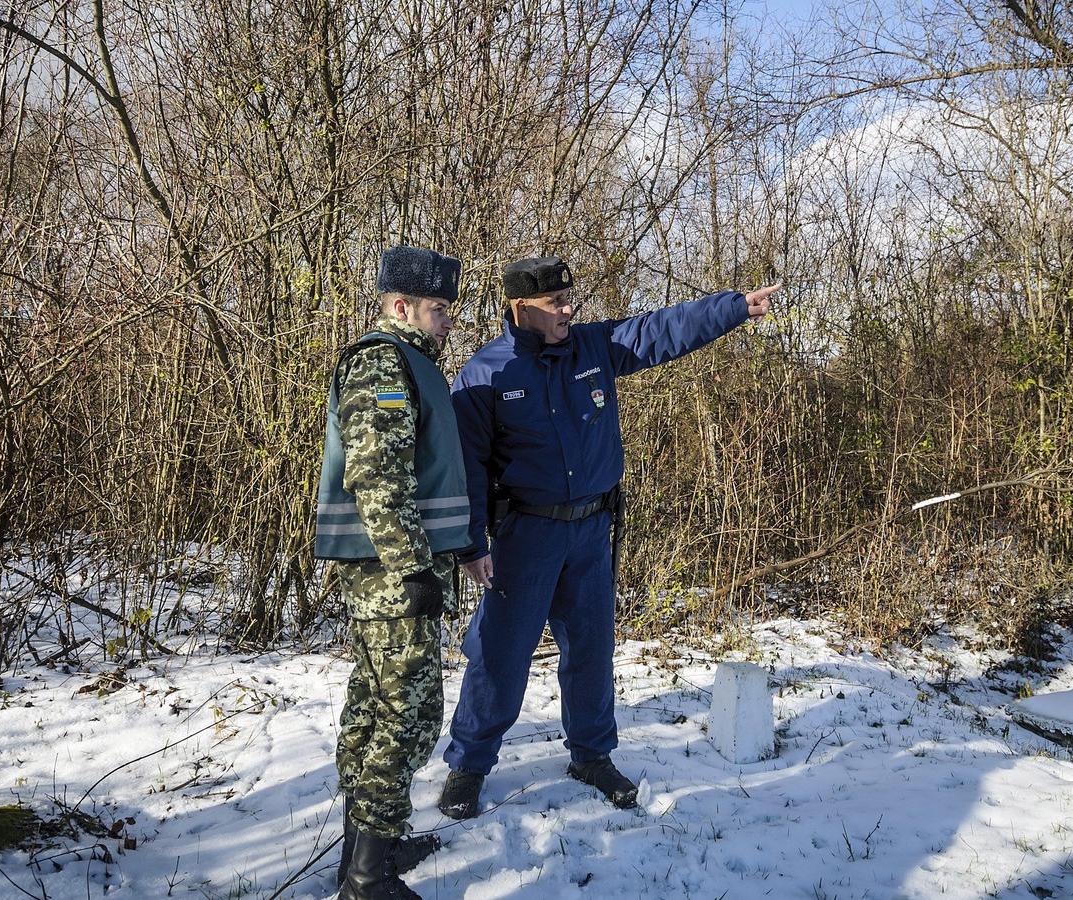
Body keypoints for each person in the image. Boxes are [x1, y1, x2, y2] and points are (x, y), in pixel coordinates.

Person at [437, 256, 777, 818]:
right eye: (556, 304)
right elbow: (467, 469)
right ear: (522, 308)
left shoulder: (593, 347)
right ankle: (469, 764)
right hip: (527, 534)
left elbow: (663, 330)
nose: (570, 310)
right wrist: (472, 545)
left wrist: (734, 308)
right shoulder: (485, 376)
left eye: (572, 299)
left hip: (592, 530)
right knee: (501, 653)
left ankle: (592, 754)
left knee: (591, 650)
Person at [315, 245, 473, 899]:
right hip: (392, 573)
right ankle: (368, 878)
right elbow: (376, 473)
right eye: (439, 310)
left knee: (373, 710)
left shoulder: (413, 365)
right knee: (405, 717)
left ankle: (366, 849)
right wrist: (412, 568)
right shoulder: (384, 361)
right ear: (401, 306)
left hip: (396, 569)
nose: (448, 323)